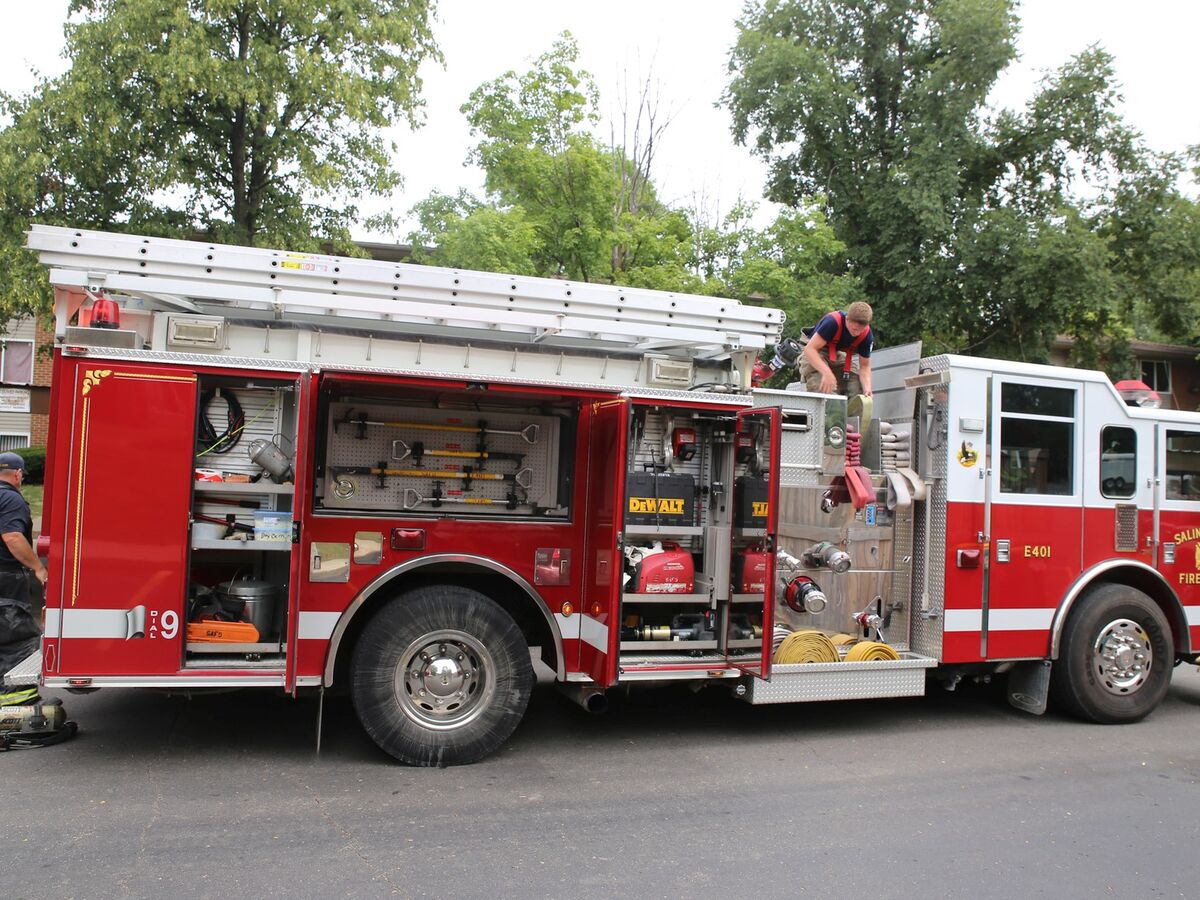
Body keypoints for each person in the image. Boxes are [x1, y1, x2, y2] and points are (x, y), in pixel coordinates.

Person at [0, 452, 46, 608]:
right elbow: (13, 537)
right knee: (11, 627)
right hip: (6, 578)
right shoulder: (11, 499)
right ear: (18, 474)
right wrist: (38, 567)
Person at [799, 301, 875, 397]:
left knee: (857, 386)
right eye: (855, 329)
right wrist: (826, 372)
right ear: (847, 319)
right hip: (814, 350)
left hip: (836, 353)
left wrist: (867, 388)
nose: (857, 333)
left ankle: (853, 409)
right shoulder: (832, 322)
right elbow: (809, 350)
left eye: (861, 329)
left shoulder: (867, 335)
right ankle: (825, 407)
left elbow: (864, 367)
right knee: (822, 386)